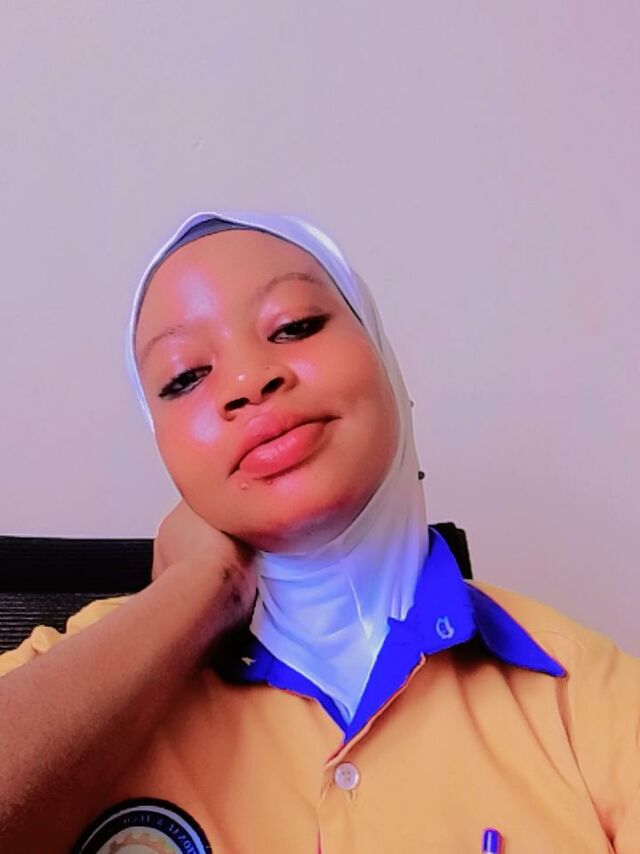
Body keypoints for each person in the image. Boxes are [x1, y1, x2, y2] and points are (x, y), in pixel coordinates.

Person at [0, 211, 638, 853]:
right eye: (185, 376)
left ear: (386, 361)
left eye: (295, 326)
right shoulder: (66, 676)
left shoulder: (586, 693)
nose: (249, 381)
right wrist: (199, 588)